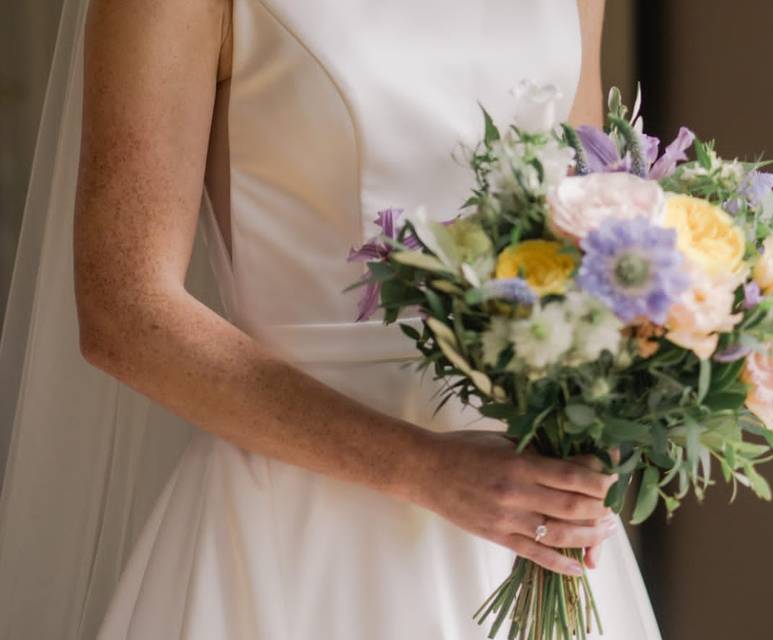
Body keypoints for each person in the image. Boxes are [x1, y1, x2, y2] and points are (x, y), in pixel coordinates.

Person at [0, 0, 662, 637]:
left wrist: (612, 400)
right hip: (300, 535)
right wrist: (428, 471)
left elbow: (590, 226)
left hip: (531, 521)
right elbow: (125, 312)